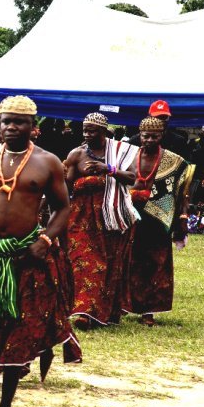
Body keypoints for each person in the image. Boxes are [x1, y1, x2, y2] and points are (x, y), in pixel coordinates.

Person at [0, 95, 80, 407]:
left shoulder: (48, 163)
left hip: (24, 256)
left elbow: (63, 209)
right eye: (6, 121)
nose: (12, 127)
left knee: (20, 327)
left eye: (19, 122)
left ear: (34, 126)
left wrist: (45, 240)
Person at [64, 113, 138, 329]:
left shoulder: (118, 153)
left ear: (104, 132)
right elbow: (66, 185)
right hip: (82, 216)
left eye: (92, 130)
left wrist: (109, 170)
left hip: (110, 215)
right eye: (85, 130)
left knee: (107, 261)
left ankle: (105, 310)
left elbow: (132, 178)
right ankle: (84, 312)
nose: (87, 134)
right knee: (84, 259)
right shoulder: (76, 154)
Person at [126, 117, 195, 327]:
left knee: (156, 264)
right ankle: (125, 306)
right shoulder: (129, 156)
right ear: (140, 134)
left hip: (158, 219)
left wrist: (183, 218)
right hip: (130, 217)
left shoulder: (174, 161)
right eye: (145, 135)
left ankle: (149, 312)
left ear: (161, 135)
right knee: (129, 262)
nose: (148, 139)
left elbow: (182, 194)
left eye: (153, 136)